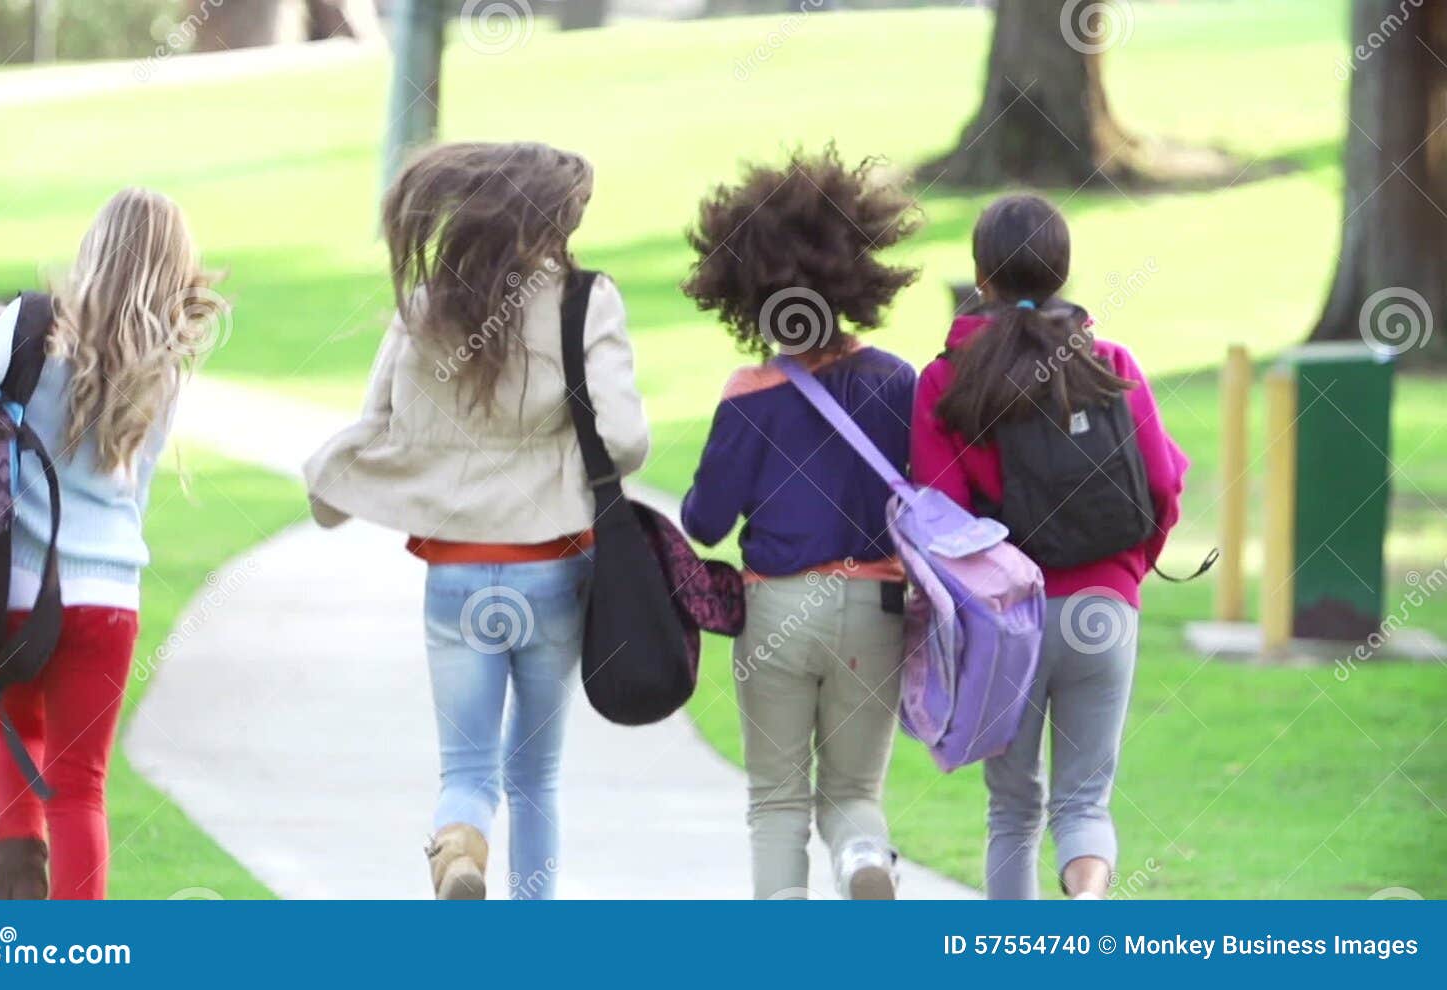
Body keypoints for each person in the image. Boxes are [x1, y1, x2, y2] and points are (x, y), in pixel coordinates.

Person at [304, 142, 650, 900]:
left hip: (457, 574)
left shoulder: (428, 304)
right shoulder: (586, 300)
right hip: (552, 569)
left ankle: (458, 849)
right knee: (536, 778)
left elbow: (381, 419)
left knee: (464, 770)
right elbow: (626, 438)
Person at [0, 187, 225, 899]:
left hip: (20, 592)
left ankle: (21, 916)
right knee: (80, 789)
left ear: (94, 247)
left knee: (11, 740)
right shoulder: (165, 365)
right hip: (109, 601)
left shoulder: (33, 324)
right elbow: (141, 492)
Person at [910, 193, 1189, 899]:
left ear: (982, 274)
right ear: (1062, 269)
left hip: (1012, 621)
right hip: (1105, 605)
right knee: (1084, 803)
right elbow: (1160, 482)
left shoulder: (947, 380)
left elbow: (938, 516)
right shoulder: (1109, 362)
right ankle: (1087, 906)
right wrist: (1127, 571)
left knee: (1012, 808)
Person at [679, 147, 922, 899]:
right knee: (853, 795)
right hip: (877, 612)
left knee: (777, 801)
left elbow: (706, 522)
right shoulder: (896, 380)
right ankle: (862, 862)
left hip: (778, 610)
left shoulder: (749, 394)